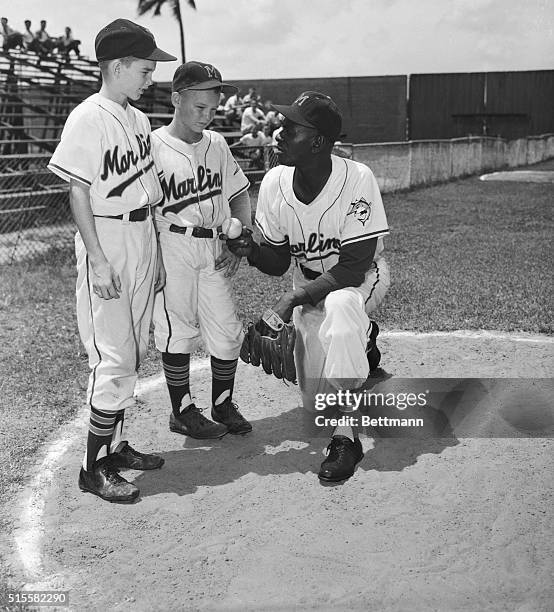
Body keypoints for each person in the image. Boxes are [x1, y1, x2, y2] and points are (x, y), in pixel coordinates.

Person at [226, 91, 390, 482]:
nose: (278, 134)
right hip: (307, 282)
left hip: (361, 278)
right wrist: (250, 250)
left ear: (318, 141)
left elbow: (352, 268)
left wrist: (293, 299)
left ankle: (347, 437)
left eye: (290, 128)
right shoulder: (275, 182)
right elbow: (279, 260)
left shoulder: (357, 179)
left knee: (342, 308)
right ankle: (361, 345)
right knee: (319, 402)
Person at [47, 19, 176, 503]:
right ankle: (91, 468)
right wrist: (98, 261)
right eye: (145, 70)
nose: (151, 79)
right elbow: (77, 190)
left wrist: (156, 254)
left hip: (142, 234)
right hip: (109, 236)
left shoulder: (136, 118)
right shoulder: (88, 116)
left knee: (133, 349)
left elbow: (148, 192)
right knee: (113, 356)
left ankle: (115, 447)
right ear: (118, 67)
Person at [151, 61, 253, 440]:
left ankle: (222, 403)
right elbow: (144, 210)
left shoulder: (217, 144)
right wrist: (154, 258)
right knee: (177, 329)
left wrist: (239, 237)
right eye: (200, 108)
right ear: (177, 99)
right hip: (172, 242)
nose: (208, 116)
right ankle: (181, 411)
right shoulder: (153, 145)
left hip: (212, 244)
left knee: (227, 330)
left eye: (213, 109)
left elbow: (240, 193)